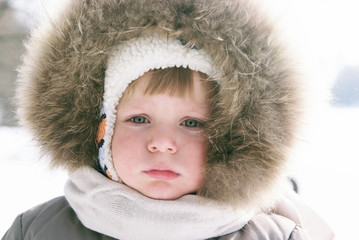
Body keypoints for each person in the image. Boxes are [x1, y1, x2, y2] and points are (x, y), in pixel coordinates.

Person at [2, 0, 334, 239]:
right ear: (102, 130)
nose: (162, 142)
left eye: (192, 123)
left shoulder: (277, 235)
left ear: (231, 140)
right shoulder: (36, 231)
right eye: (139, 118)